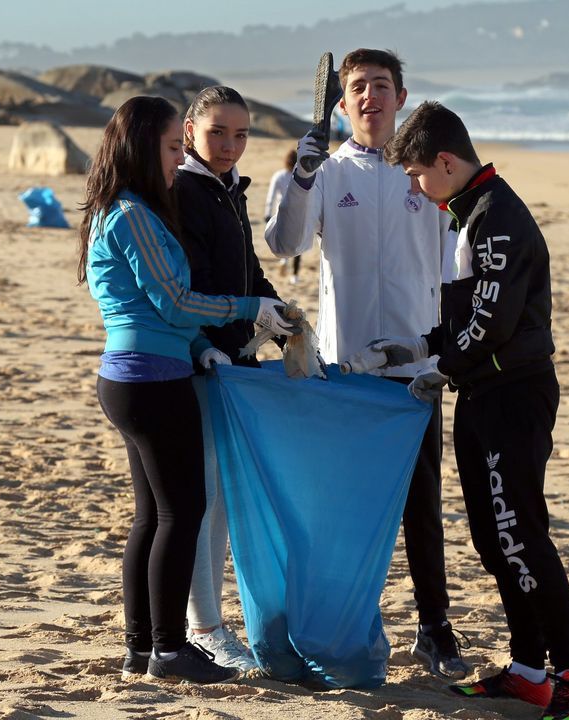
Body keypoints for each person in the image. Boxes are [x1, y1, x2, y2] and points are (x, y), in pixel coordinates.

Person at [344, 100, 569, 719]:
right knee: (492, 535)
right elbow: (467, 313)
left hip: (514, 397)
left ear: (447, 162)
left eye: (416, 174)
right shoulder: (469, 211)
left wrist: (440, 367)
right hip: (485, 394)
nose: (413, 186)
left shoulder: (497, 219)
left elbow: (492, 321)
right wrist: (422, 346)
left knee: (519, 533)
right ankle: (528, 670)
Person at [76, 95, 296, 684]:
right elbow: (172, 302)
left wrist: (205, 343)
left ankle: (142, 648)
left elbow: (170, 309)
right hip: (149, 378)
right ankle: (172, 647)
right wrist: (250, 308)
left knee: (153, 515)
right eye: (175, 147)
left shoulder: (132, 209)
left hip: (148, 371)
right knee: (183, 512)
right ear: (142, 148)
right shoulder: (131, 214)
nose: (181, 160)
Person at [264, 48, 469, 679]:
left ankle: (434, 626)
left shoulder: (423, 175)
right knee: (344, 507)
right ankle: (350, 627)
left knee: (420, 506)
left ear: (401, 97)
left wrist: (441, 351)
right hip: (344, 370)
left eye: (382, 85)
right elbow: (285, 244)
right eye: (358, 87)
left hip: (415, 372)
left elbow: (454, 265)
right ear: (343, 101)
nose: (370, 96)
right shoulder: (328, 172)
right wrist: (299, 176)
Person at [172, 85, 280, 673]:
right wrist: (211, 346)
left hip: (237, 362)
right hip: (199, 364)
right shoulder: (183, 190)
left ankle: (210, 621)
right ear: (190, 130)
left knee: (221, 501)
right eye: (219, 132)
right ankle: (205, 627)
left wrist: (278, 314)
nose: (231, 145)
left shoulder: (227, 189)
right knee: (204, 499)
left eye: (241, 134)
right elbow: (187, 286)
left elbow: (248, 270)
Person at [264, 148, 300, 284]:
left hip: (281, 214)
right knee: (298, 244)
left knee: (284, 241)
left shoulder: (279, 176)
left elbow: (271, 196)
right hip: (297, 213)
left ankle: (284, 260)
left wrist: (267, 213)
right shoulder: (300, 176)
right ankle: (295, 275)